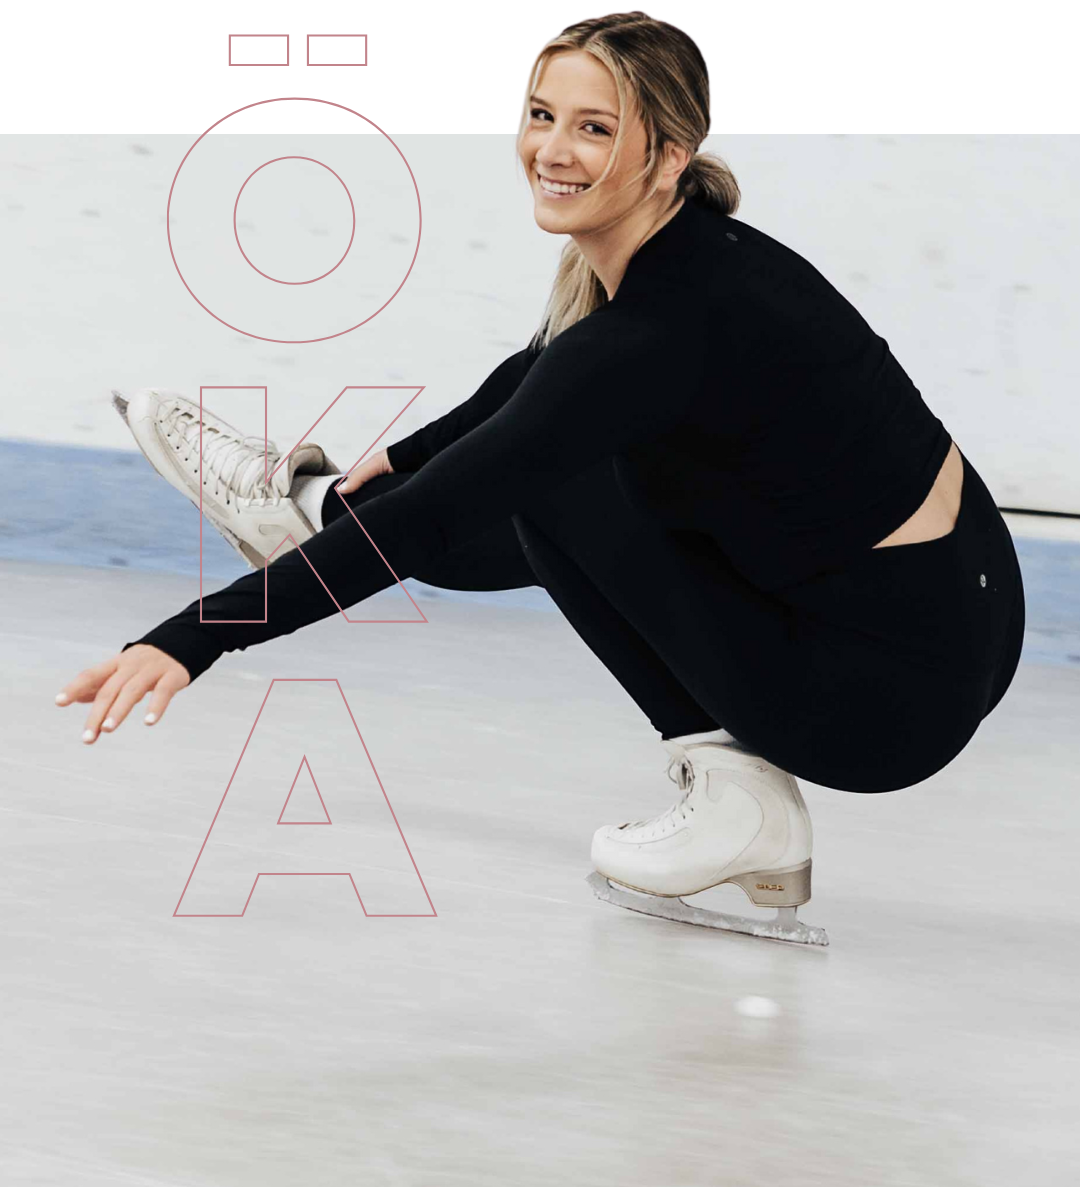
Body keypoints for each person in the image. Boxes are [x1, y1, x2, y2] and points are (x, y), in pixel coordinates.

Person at [55, 14, 1024, 941]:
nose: (552, 149)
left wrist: (193, 638)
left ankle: (737, 802)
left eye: (594, 128)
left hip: (879, 705)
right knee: (560, 471)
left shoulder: (653, 336)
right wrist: (410, 453)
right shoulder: (711, 263)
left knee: (553, 487)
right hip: (963, 623)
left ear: (667, 156)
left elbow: (451, 506)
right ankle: (315, 510)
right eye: (539, 113)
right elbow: (541, 375)